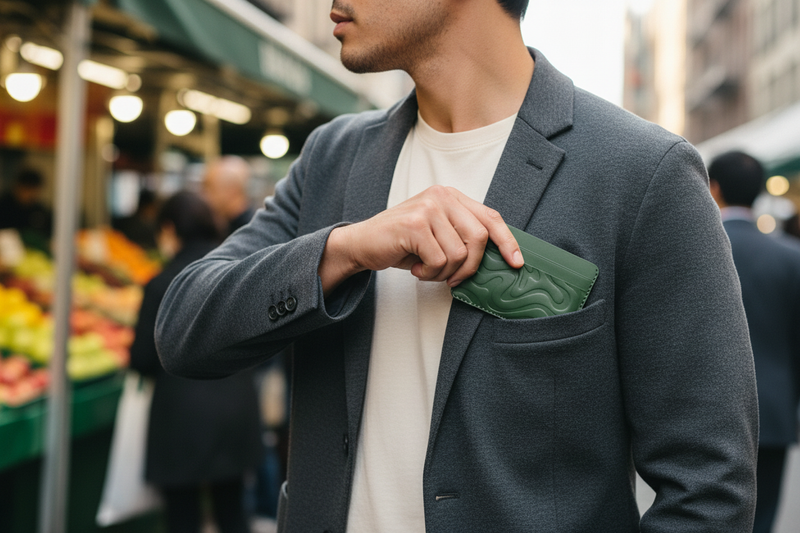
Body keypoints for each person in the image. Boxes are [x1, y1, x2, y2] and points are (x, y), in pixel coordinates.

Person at [156, 0, 759, 531]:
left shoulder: (640, 174)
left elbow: (709, 483)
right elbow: (183, 329)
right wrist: (345, 248)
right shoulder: (332, 157)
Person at [129, 191, 262, 533]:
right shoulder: (237, 272)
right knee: (232, 512)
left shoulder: (161, 284)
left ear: (170, 229)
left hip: (180, 418)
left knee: (182, 517)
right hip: (236, 409)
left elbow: (142, 359)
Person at [708, 151, 800, 533]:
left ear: (713, 188)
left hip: (706, 410)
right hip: (774, 410)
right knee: (761, 522)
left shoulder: (694, 250)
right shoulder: (790, 257)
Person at [201, 156, 256, 236]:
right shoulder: (225, 225)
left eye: (209, 187)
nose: (203, 195)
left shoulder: (248, 232)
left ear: (231, 190)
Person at [0, 168, 52, 248]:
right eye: (27, 189)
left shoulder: (39, 211)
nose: (31, 195)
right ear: (18, 187)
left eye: (34, 190)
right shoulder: (4, 207)